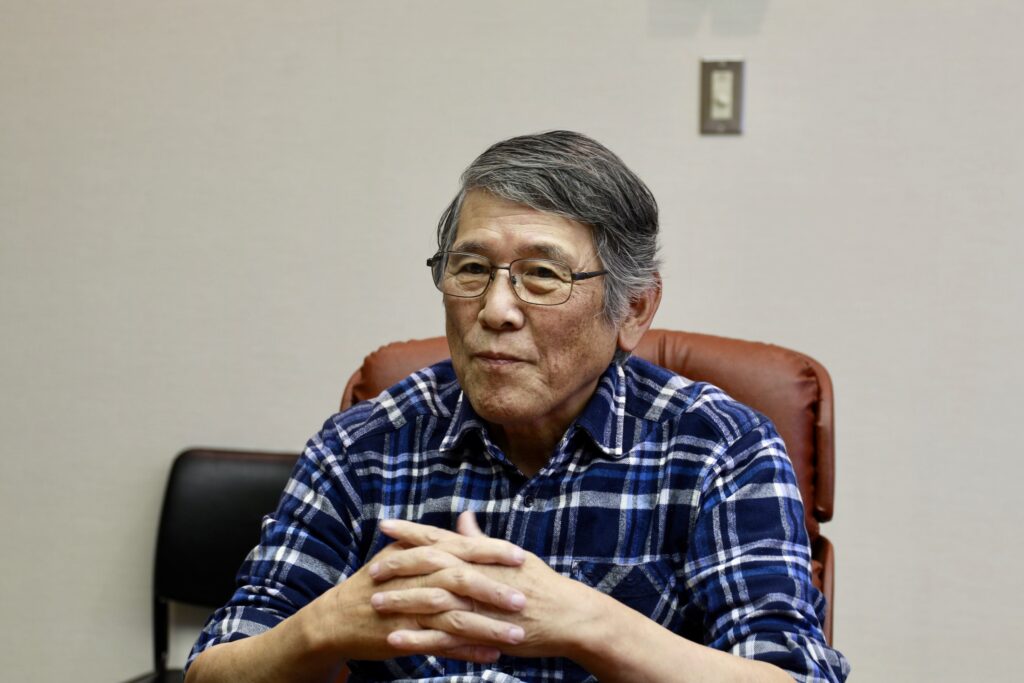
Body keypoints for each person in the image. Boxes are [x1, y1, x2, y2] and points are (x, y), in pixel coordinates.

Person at [185, 131, 850, 682]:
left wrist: (589, 623)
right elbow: (213, 668)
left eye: (542, 275)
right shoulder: (365, 445)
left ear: (633, 308)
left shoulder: (719, 447)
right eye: (471, 269)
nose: (496, 310)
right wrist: (326, 624)